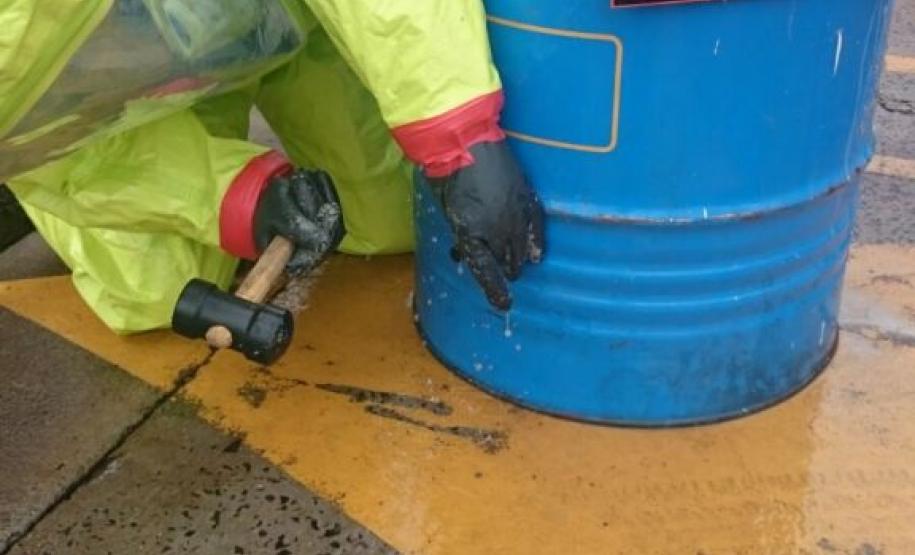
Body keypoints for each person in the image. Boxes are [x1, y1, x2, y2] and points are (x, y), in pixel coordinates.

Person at [1, 0, 544, 333]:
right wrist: (236, 196)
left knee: (386, 222)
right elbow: (36, 144)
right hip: (128, 88)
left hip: (289, 18)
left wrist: (457, 135)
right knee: (158, 293)